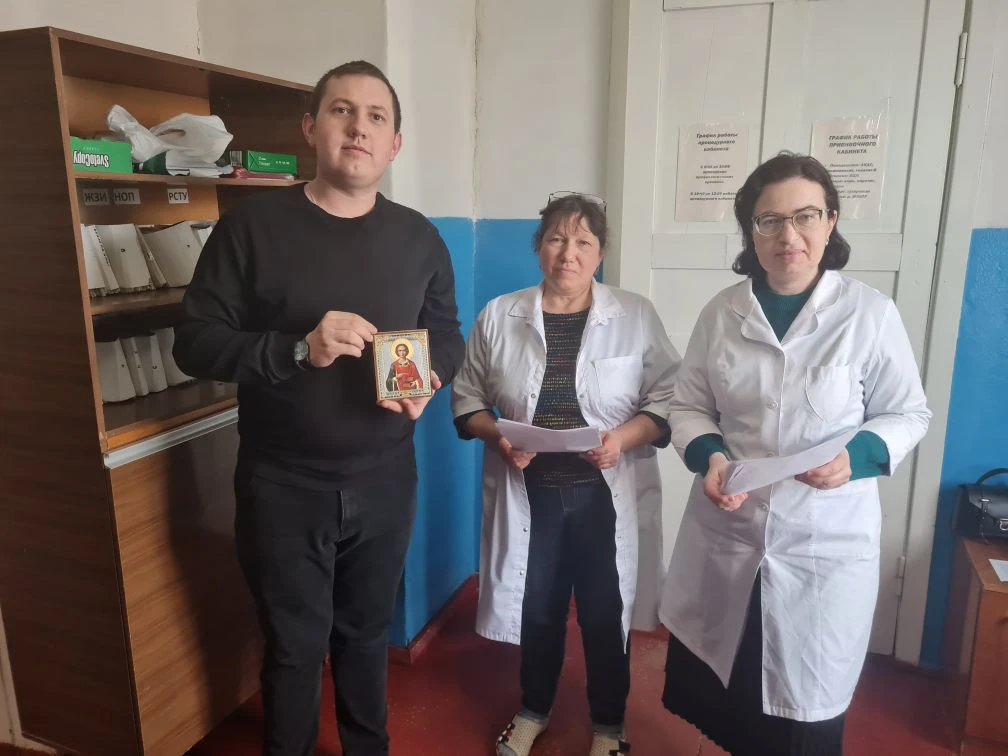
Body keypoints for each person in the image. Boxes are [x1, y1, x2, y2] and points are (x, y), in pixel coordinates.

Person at [172, 60, 465, 756]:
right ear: (310, 128)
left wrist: (428, 377)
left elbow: (447, 333)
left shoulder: (419, 237)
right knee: (294, 647)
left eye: (376, 117)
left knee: (365, 636)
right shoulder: (251, 229)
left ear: (394, 144)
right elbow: (194, 344)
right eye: (341, 110)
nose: (358, 128)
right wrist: (298, 349)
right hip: (283, 484)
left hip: (385, 479)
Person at [658, 152, 931, 755]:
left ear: (830, 222)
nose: (789, 235)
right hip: (731, 531)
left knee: (804, 712)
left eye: (806, 216)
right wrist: (711, 458)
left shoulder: (869, 314)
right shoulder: (721, 313)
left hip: (822, 541)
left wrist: (856, 456)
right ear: (750, 231)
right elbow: (689, 406)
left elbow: (908, 413)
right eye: (770, 220)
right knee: (731, 695)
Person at [451, 194, 680, 756]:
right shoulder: (499, 315)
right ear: (539, 247)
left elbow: (668, 399)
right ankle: (533, 709)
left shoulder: (635, 314)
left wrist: (620, 439)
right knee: (538, 609)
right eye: (556, 239)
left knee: (605, 614)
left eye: (583, 242)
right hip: (531, 494)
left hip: (603, 496)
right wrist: (498, 437)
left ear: (600, 253)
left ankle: (609, 725)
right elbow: (467, 399)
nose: (568, 254)